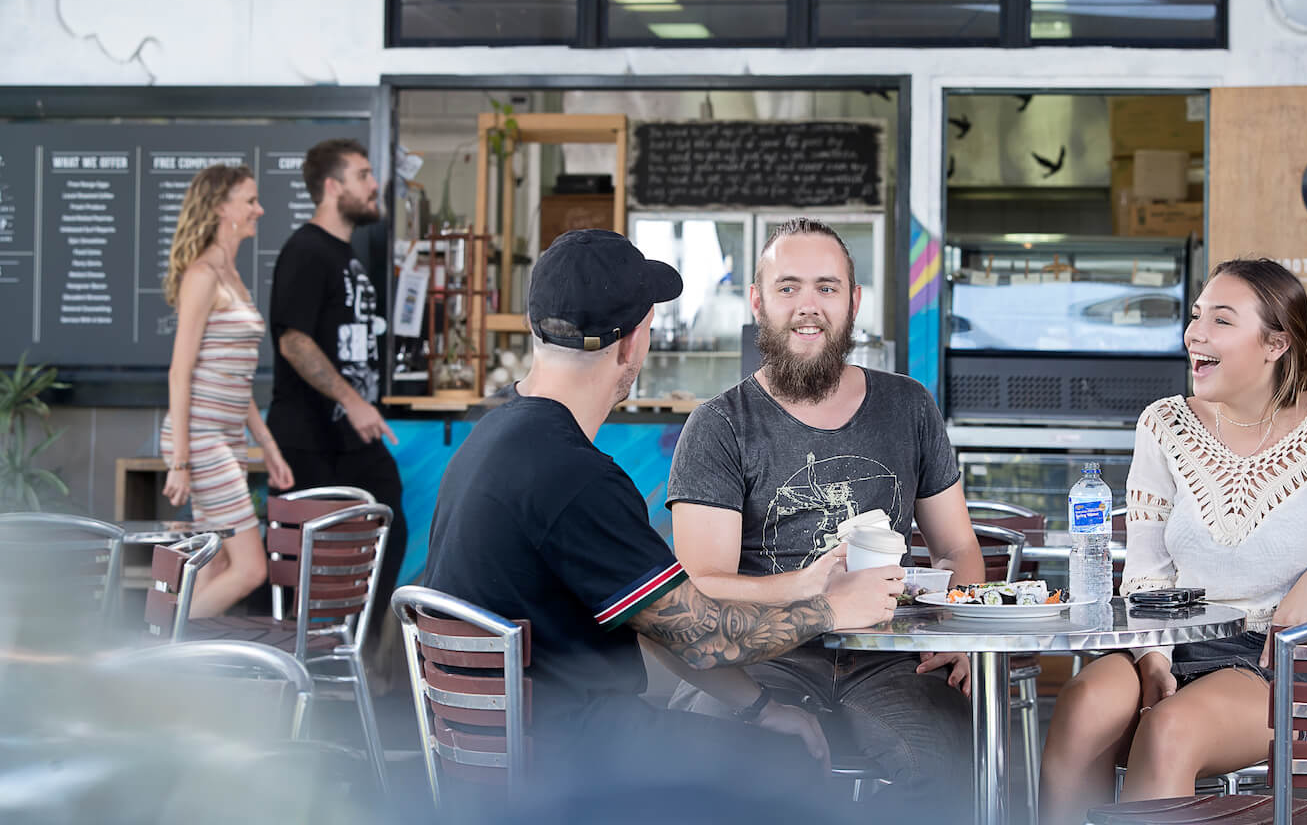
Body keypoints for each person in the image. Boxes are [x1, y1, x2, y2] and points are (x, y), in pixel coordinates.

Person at [423, 229, 903, 805]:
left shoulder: (493, 438)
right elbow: (701, 639)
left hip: (493, 755)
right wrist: (831, 607)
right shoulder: (576, 477)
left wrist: (761, 707)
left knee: (765, 737)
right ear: (630, 346)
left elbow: (663, 624)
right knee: (786, 762)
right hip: (570, 763)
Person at [1039, 258, 1307, 825]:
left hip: (1284, 656)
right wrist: (1153, 655)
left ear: (1275, 343)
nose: (1195, 333)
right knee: (1081, 706)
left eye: (1220, 320)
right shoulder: (1165, 424)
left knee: (1171, 730)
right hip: (1175, 639)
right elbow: (1146, 571)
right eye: (1196, 316)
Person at [665, 217, 984, 813]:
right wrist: (815, 591)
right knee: (732, 763)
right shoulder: (720, 425)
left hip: (892, 661)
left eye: (827, 288)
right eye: (788, 288)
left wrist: (959, 635)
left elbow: (957, 548)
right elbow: (700, 584)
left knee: (942, 765)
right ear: (758, 301)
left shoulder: (908, 406)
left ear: (853, 301)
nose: (808, 306)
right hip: (763, 658)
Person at [265, 139, 405, 625]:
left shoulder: (345, 256)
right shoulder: (305, 251)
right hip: (311, 438)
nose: (374, 186)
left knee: (387, 529)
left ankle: (347, 655)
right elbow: (294, 342)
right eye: (363, 175)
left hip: (349, 438)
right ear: (332, 186)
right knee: (308, 565)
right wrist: (355, 402)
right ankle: (303, 665)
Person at [161, 164, 293, 616]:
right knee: (250, 569)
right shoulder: (203, 276)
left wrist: (268, 448)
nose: (259, 208)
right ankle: (153, 650)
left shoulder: (230, 273)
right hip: (199, 438)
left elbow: (237, 381)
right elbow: (181, 371)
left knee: (215, 568)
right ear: (222, 207)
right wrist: (180, 460)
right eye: (250, 200)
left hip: (227, 436)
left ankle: (172, 668)